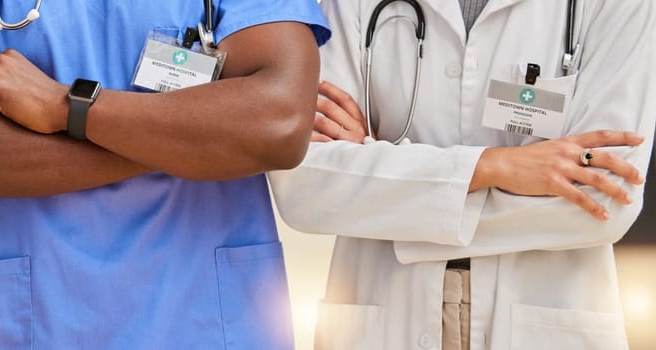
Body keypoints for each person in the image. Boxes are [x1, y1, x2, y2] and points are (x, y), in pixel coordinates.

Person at [0, 0, 329, 348]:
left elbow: (279, 122)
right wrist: (193, 138)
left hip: (208, 317)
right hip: (34, 317)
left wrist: (65, 107)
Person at [269, 0, 655, 349]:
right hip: (382, 320)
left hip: (544, 320)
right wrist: (495, 166)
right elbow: (305, 182)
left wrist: (381, 176)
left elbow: (605, 199)